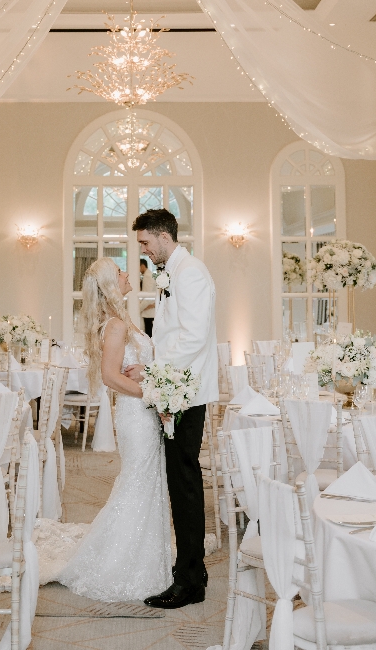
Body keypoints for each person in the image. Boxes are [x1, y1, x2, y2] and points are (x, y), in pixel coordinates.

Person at [56, 257, 172, 602]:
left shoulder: (119, 321)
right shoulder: (117, 326)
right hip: (137, 414)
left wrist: (150, 377)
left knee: (147, 481)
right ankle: (121, 562)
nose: (127, 275)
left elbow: (129, 369)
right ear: (109, 286)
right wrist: (154, 392)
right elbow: (110, 376)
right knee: (138, 481)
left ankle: (147, 555)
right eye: (120, 273)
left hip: (140, 410)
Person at [126, 208, 218, 610]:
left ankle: (189, 582)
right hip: (174, 388)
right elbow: (169, 331)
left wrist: (152, 368)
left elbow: (194, 337)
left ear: (164, 237)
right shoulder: (171, 273)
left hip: (186, 392)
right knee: (181, 481)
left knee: (183, 482)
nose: (143, 250)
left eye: (145, 242)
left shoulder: (191, 272)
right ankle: (192, 570)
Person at [139, 257, 156, 337]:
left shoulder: (148, 276)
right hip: (148, 310)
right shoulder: (148, 275)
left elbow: (147, 295)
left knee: (149, 334)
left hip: (149, 312)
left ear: (142, 266)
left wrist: (139, 308)